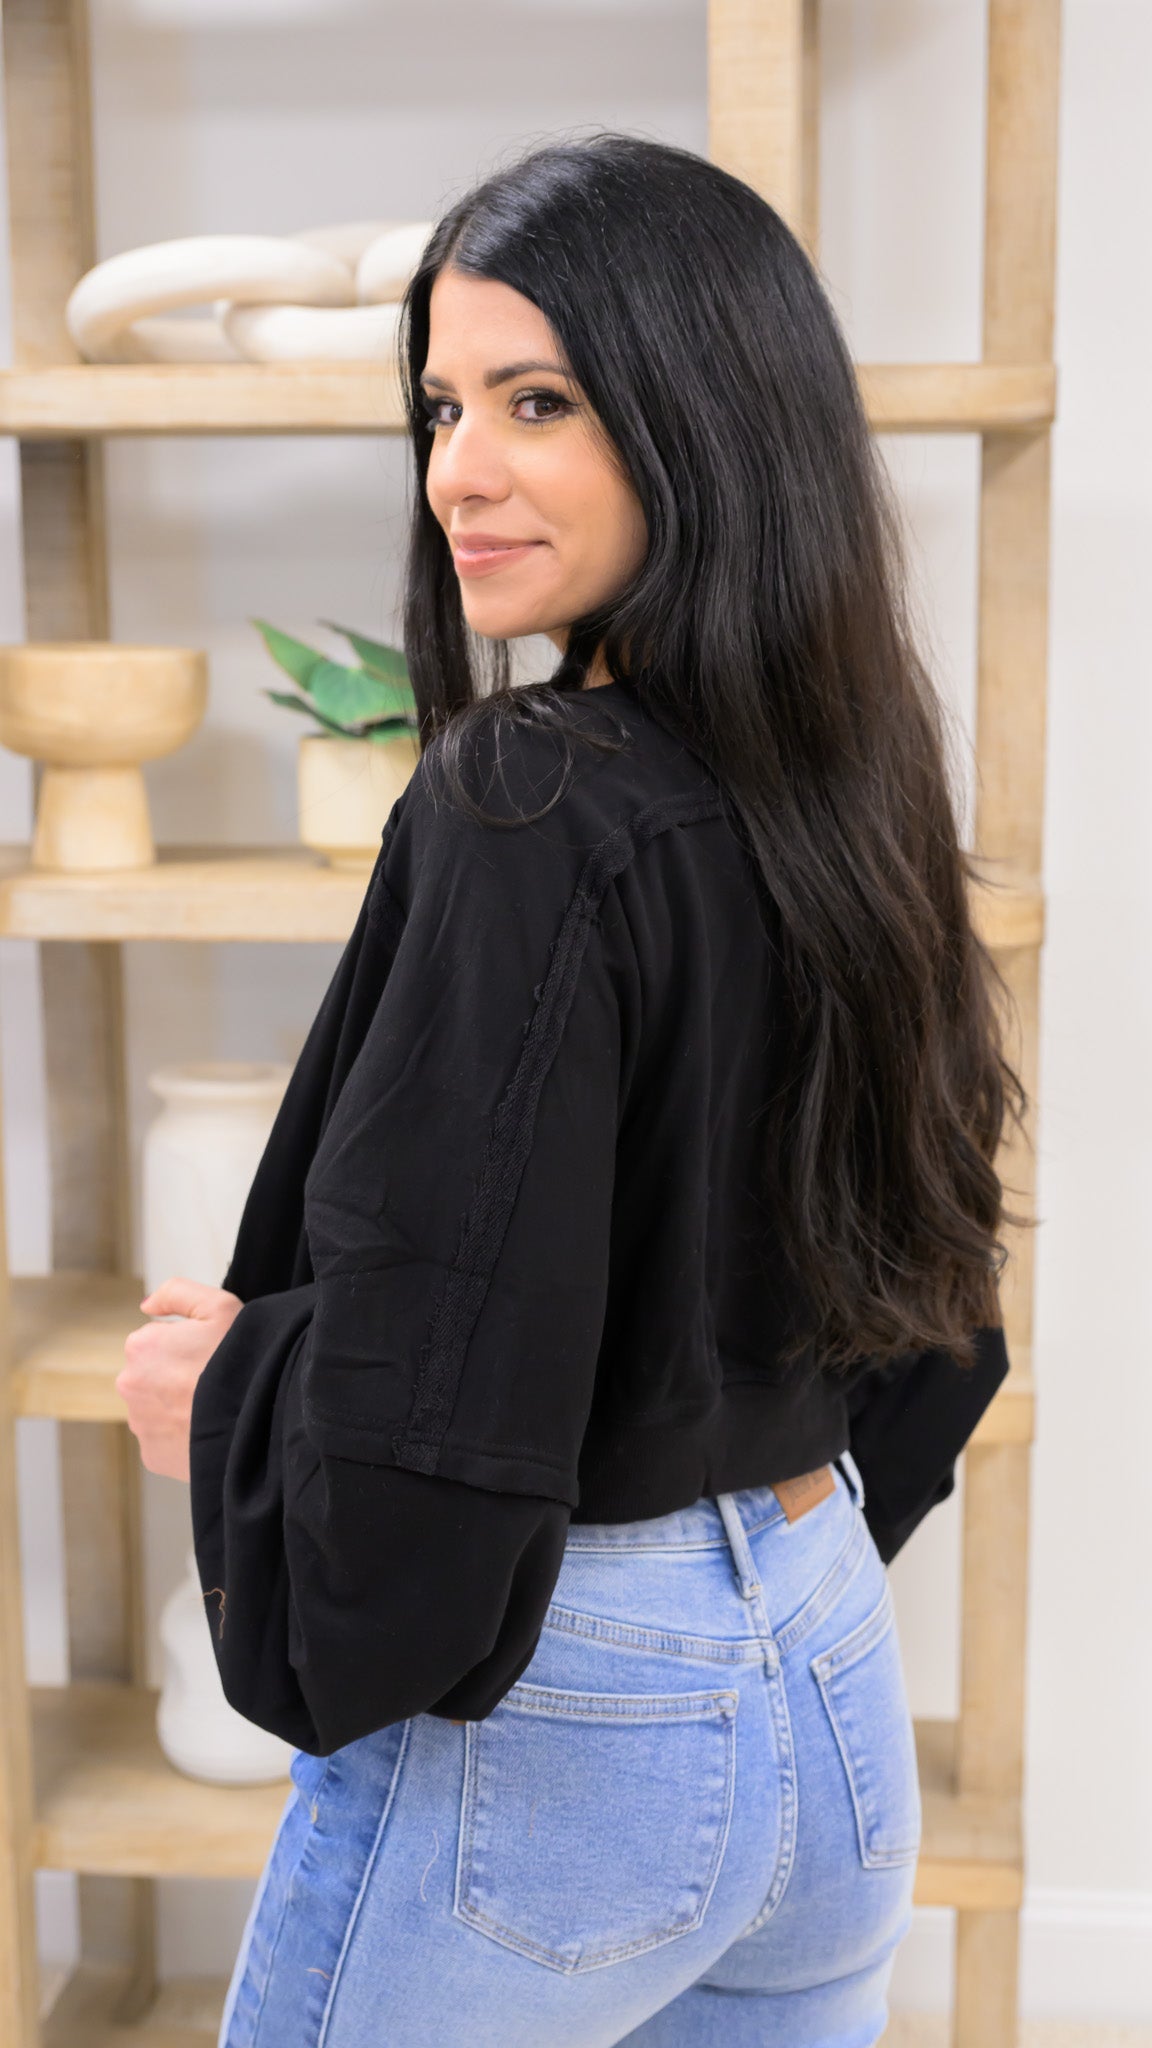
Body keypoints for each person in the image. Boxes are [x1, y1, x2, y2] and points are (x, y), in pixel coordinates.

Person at [116, 132, 1025, 2048]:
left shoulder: (523, 795)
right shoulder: (851, 775)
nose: (458, 471)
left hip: (571, 1701)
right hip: (826, 1667)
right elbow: (930, 1280)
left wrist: (240, 1405)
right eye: (441, 407)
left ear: (704, 414)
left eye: (537, 402)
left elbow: (445, 1339)